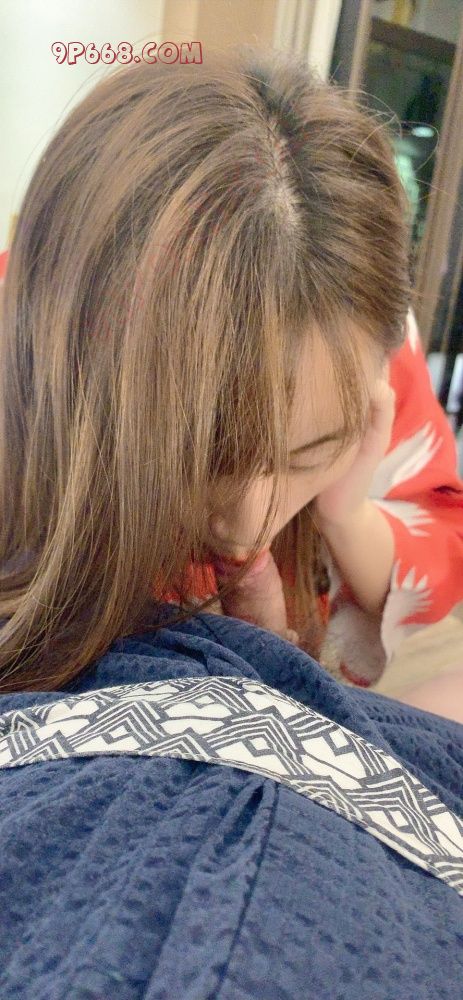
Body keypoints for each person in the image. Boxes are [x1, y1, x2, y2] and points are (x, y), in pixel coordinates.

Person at [0, 45, 461, 998]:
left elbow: (438, 541)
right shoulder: (31, 340)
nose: (250, 520)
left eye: (305, 449)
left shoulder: (347, 320)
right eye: (207, 457)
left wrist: (344, 509)